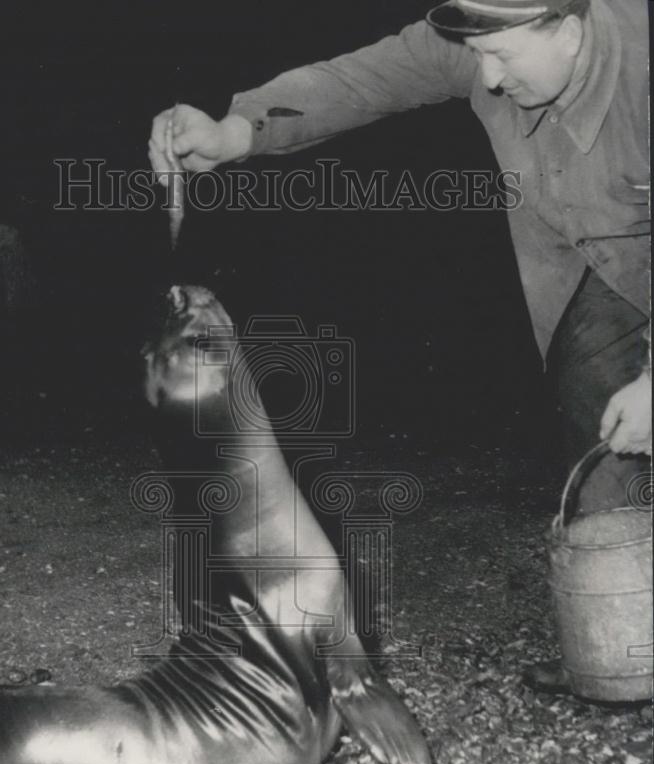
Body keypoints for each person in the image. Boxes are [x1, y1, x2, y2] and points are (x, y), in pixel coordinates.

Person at [148, 0, 651, 700]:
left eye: (503, 58)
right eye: (478, 57)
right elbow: (362, 80)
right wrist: (234, 132)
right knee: (599, 409)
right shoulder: (490, 36)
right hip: (599, 262)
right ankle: (623, 648)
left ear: (570, 32)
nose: (487, 79)